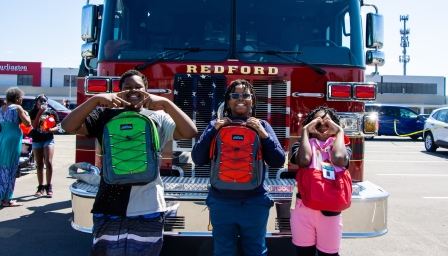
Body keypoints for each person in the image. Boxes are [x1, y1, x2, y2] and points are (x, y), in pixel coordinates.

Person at [61, 69, 197, 255]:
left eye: (138, 87)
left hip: (148, 204)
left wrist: (166, 102)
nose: (133, 91)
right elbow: (68, 126)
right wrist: (95, 99)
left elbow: (190, 131)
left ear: (146, 90)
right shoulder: (104, 115)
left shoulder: (158, 118)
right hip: (110, 204)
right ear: (119, 90)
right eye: (127, 87)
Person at [191, 79, 286, 256]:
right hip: (221, 202)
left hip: (255, 202)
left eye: (245, 95)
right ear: (228, 101)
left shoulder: (262, 126)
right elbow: (197, 158)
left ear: (253, 100)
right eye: (235, 95)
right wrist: (214, 130)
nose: (240, 99)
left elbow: (278, 161)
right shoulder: (215, 126)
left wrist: (263, 135)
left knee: (255, 250)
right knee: (224, 251)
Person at [289, 105, 351, 256]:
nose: (323, 127)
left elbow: (338, 158)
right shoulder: (300, 145)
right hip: (303, 211)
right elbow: (304, 160)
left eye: (327, 123)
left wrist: (340, 132)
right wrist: (304, 131)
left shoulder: (342, 146)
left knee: (329, 254)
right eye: (318, 123)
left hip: (329, 212)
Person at [0, 87, 31, 207]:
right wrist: (26, 115)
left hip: (2, 136)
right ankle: (7, 199)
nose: (21, 101)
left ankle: (2, 196)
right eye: (21, 98)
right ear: (17, 98)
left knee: (2, 166)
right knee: (11, 167)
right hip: (13, 138)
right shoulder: (17, 108)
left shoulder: (1, 109)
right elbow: (28, 123)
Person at [29, 94, 60, 197]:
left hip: (48, 139)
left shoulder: (52, 113)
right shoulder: (34, 112)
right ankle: (40, 186)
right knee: (39, 163)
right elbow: (34, 126)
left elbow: (57, 127)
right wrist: (39, 112)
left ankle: (49, 186)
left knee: (49, 162)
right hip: (37, 140)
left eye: (44, 100)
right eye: (40, 101)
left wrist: (51, 130)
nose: (43, 102)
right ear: (36, 103)